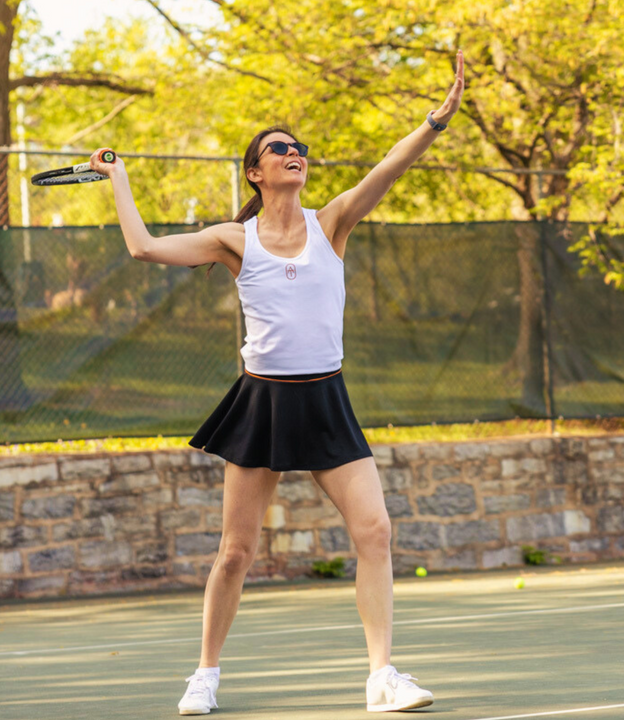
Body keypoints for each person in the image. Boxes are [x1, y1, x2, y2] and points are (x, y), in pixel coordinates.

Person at [90, 48, 464, 715]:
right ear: (256, 172)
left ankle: (382, 676)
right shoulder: (235, 240)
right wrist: (118, 175)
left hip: (326, 398)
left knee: (374, 531)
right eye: (279, 148)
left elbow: (389, 169)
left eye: (300, 147)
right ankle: (204, 674)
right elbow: (144, 247)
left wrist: (436, 120)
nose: (295, 153)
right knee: (236, 553)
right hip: (261, 403)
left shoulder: (333, 223)